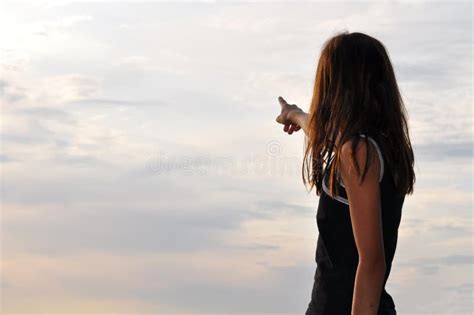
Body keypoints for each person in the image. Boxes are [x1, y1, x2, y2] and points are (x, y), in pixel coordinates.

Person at [275, 31, 416, 315]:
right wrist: (295, 114)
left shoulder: (357, 151)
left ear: (339, 87)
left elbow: (373, 262)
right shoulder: (376, 146)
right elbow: (323, 133)